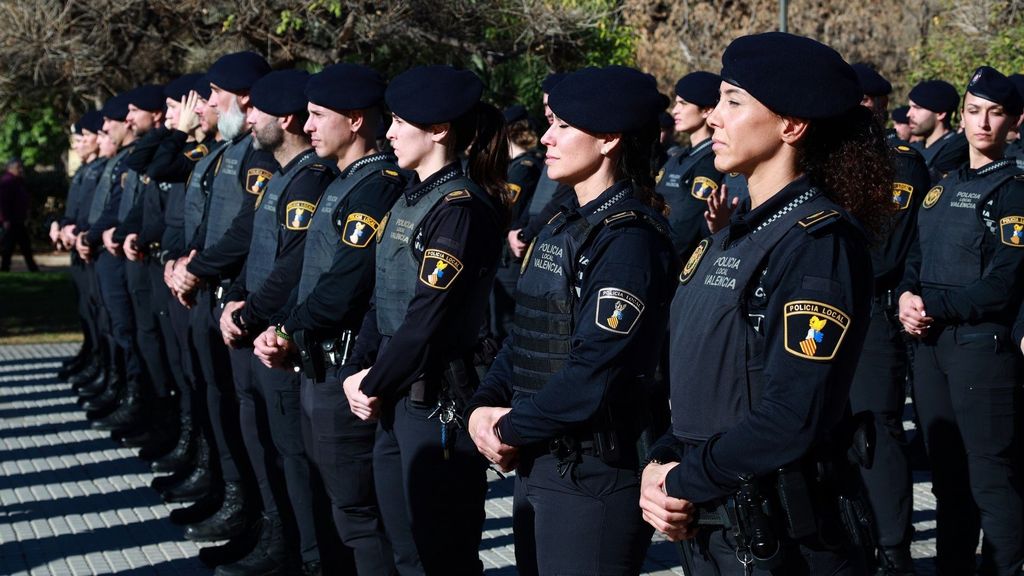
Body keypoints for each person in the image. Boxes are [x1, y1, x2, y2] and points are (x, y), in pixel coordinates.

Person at [639, 32, 892, 575]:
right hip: (713, 521)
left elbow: (790, 417)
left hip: (780, 537)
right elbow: (700, 379)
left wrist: (681, 480)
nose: (714, 119)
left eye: (733, 102)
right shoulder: (729, 236)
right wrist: (661, 459)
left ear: (791, 125)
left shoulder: (818, 244)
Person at [466, 65, 675, 575]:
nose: (546, 138)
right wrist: (484, 405)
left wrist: (510, 428)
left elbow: (594, 373)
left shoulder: (628, 241)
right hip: (541, 459)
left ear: (607, 139)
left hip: (594, 473)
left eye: (562, 125)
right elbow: (528, 331)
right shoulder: (567, 222)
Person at [340, 64, 508, 575]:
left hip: (435, 403)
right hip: (397, 397)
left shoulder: (459, 208)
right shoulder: (409, 195)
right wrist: (362, 367)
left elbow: (426, 318)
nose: (387, 132)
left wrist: (372, 381)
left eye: (399, 122)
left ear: (439, 130)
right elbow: (382, 294)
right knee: (406, 550)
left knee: (442, 557)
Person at [252, 62, 403, 576]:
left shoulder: (377, 185)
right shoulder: (345, 181)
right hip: (319, 367)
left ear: (356, 120)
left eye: (318, 115)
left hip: (344, 371)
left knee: (361, 517)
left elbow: (345, 286)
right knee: (341, 511)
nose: (307, 125)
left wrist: (286, 328)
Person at [897, 66, 1024, 576]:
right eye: (975, 111)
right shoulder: (941, 186)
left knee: (991, 479)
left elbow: (1005, 280)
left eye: (995, 113)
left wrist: (935, 308)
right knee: (947, 480)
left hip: (979, 348)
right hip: (931, 347)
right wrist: (907, 294)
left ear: (1014, 121)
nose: (983, 123)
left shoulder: (1014, 189)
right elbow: (916, 256)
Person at [849, 63, 930, 576]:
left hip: (872, 313)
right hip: (826, 311)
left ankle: (893, 549)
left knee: (875, 431)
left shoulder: (899, 162)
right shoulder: (830, 159)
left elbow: (883, 252)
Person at [657, 70, 725, 260]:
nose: (675, 110)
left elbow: (686, 224)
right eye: (676, 103)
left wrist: (659, 260)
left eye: (683, 104)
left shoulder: (711, 159)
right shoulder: (679, 156)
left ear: (707, 110)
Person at [490, 103, 542, 342]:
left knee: (506, 325)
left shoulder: (523, 168)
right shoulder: (514, 166)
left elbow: (506, 210)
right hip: (504, 254)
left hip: (510, 258)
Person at [907, 79, 970, 183]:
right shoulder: (914, 148)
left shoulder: (956, 152)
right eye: (910, 107)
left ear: (940, 114)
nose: (909, 114)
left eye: (917, 108)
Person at [0, 158, 38, 272]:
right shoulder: (7, 181)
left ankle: (31, 268)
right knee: (11, 246)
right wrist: (5, 219)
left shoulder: (17, 181)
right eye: (18, 168)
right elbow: (3, 202)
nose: (21, 170)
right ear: (10, 168)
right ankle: (6, 268)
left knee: (22, 245)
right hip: (11, 220)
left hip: (18, 219)